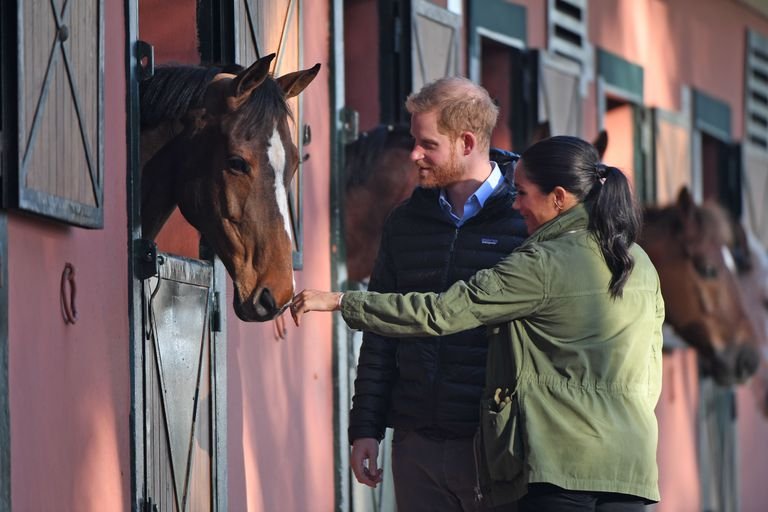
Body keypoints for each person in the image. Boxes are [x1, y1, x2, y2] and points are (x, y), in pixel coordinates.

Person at [292, 135, 664, 512]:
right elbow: (651, 366)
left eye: (521, 193)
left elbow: (440, 313)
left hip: (561, 465)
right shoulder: (639, 261)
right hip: (630, 466)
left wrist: (342, 301)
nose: (516, 205)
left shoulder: (540, 263)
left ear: (558, 197)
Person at [344, 76, 528, 512]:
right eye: (413, 140)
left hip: (497, 448)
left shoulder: (526, 221)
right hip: (417, 449)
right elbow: (380, 330)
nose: (413, 154)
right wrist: (365, 428)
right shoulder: (403, 222)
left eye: (427, 144)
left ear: (466, 142)